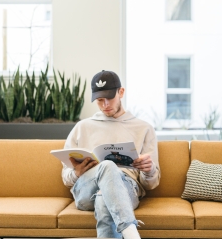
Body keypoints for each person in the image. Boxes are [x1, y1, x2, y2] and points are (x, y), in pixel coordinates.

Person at [61, 70, 161, 239]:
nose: (105, 104)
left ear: (121, 92)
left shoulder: (144, 128)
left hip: (127, 188)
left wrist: (148, 170)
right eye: (100, 100)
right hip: (86, 190)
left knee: (103, 199)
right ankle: (130, 232)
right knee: (107, 165)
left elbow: (150, 184)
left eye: (110, 97)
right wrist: (76, 173)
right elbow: (65, 177)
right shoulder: (82, 127)